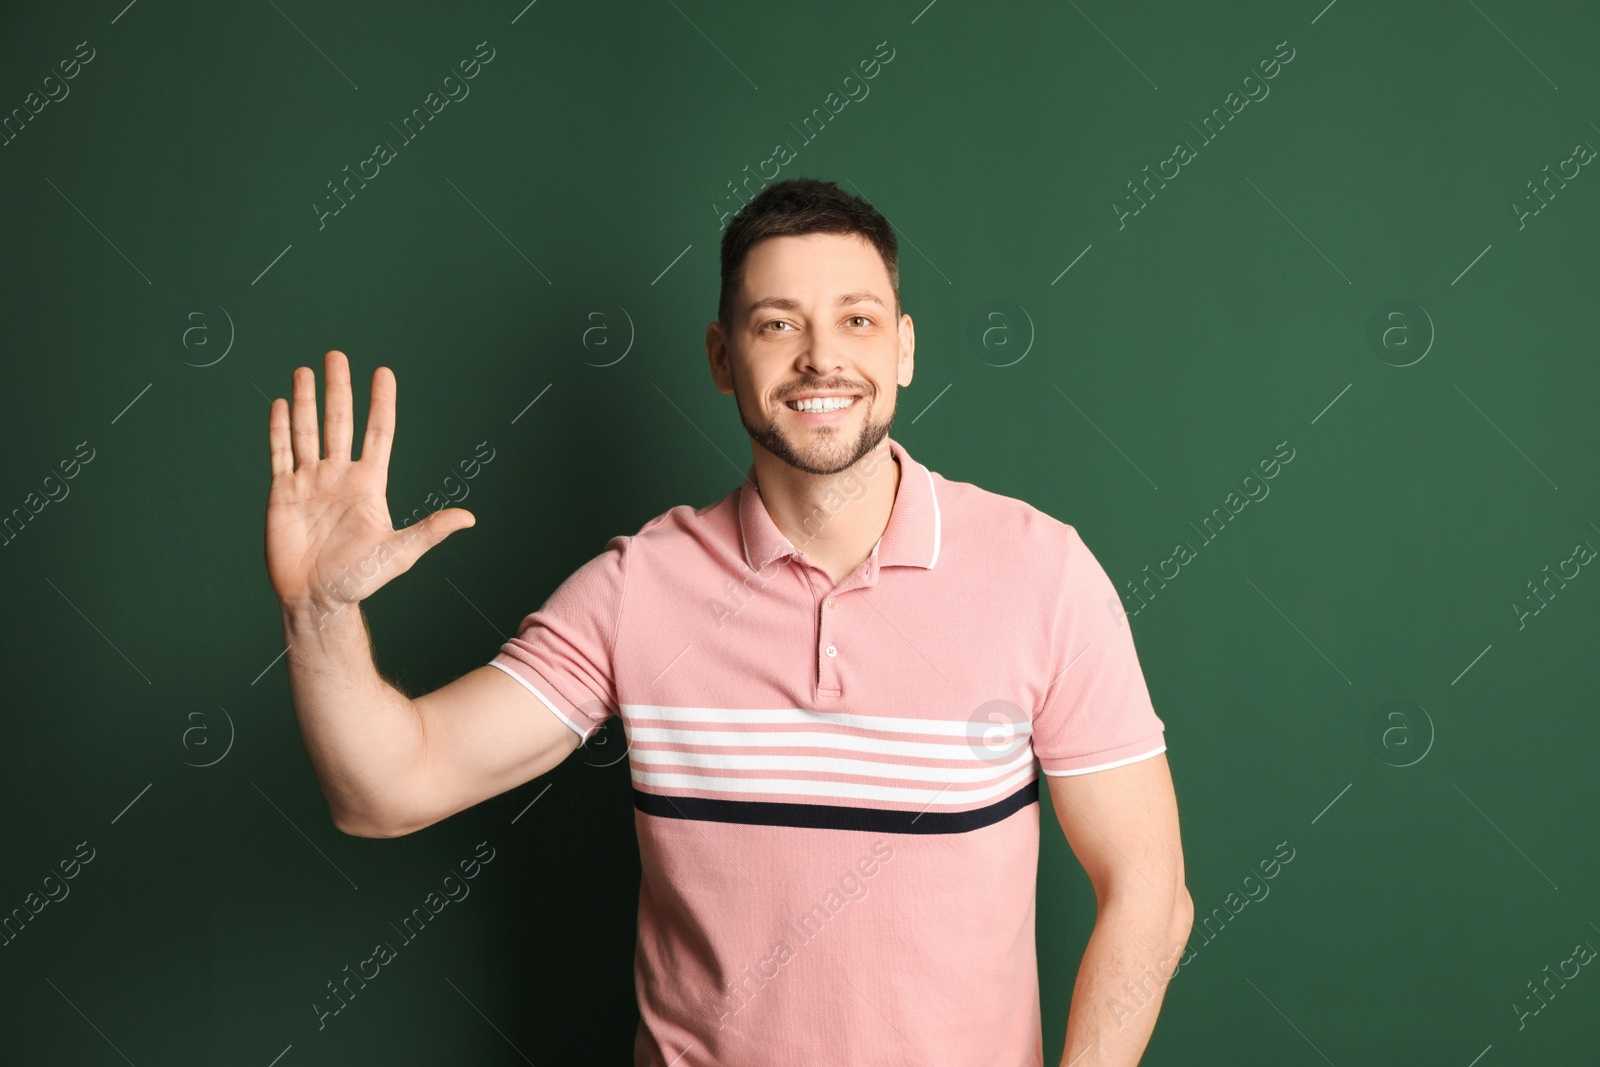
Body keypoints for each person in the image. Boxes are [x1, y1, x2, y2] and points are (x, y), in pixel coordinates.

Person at [264, 177, 1192, 1067]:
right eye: (778, 323)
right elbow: (387, 790)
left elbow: (1149, 893)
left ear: (904, 348)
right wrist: (318, 610)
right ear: (720, 357)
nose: (821, 357)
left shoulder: (1041, 572)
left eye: (857, 320)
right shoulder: (638, 588)